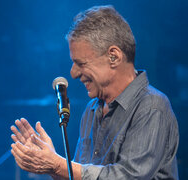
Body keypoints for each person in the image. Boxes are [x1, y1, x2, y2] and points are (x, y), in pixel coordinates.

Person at [10, 5, 179, 180]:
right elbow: (80, 176)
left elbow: (129, 177)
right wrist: (50, 165)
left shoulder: (152, 107)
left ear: (113, 56)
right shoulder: (91, 109)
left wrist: (57, 164)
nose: (73, 74)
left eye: (81, 63)